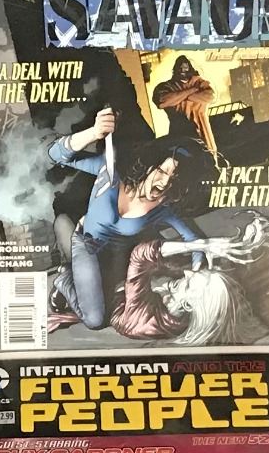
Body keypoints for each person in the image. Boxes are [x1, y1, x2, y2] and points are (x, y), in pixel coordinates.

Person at [47, 108, 207, 330]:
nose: (164, 182)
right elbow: (56, 154)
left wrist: (197, 272)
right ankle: (64, 278)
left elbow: (194, 240)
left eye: (174, 178)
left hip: (120, 260)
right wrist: (94, 133)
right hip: (87, 247)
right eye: (162, 171)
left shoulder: (164, 206)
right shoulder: (111, 172)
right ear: (150, 164)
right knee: (95, 320)